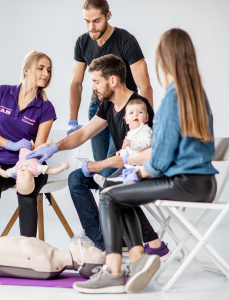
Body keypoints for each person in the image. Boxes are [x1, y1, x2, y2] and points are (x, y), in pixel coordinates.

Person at [72, 28, 217, 294]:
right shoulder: (197, 94)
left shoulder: (175, 96)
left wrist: (138, 174)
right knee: (119, 194)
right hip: (205, 183)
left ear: (165, 59)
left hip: (184, 183)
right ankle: (138, 261)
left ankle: (113, 271)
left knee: (109, 195)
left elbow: (161, 160)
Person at [27, 54, 169, 259]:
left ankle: (134, 243)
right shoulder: (108, 105)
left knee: (109, 183)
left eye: (95, 81)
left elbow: (136, 155)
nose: (93, 87)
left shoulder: (137, 107)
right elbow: (84, 133)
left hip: (141, 170)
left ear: (112, 80)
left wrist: (94, 166)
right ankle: (102, 242)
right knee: (76, 179)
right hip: (124, 167)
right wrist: (54, 148)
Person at [0, 51, 57, 266]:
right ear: (27, 70)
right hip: (2, 159)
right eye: (41, 68)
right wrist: (10, 144)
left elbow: (39, 147)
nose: (46, 73)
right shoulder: (3, 93)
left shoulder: (46, 107)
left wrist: (27, 159)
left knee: (26, 189)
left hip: (30, 162)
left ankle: (28, 249)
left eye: (48, 70)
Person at [68, 0, 153, 181]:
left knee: (114, 166)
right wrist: (72, 120)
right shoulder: (82, 42)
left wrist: (146, 122)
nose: (91, 27)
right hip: (98, 108)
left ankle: (119, 205)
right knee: (101, 171)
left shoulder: (125, 41)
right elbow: (76, 83)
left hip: (124, 110)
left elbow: (145, 85)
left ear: (108, 15)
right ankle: (105, 209)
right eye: (86, 21)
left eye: (97, 21)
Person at [93, 98, 152, 187]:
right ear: (126, 120)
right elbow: (129, 150)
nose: (135, 114)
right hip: (130, 163)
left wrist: (132, 143)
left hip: (139, 165)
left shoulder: (145, 130)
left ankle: (108, 183)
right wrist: (122, 153)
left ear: (146, 117)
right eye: (131, 113)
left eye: (140, 112)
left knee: (123, 177)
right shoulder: (130, 133)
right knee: (119, 172)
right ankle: (107, 182)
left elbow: (147, 143)